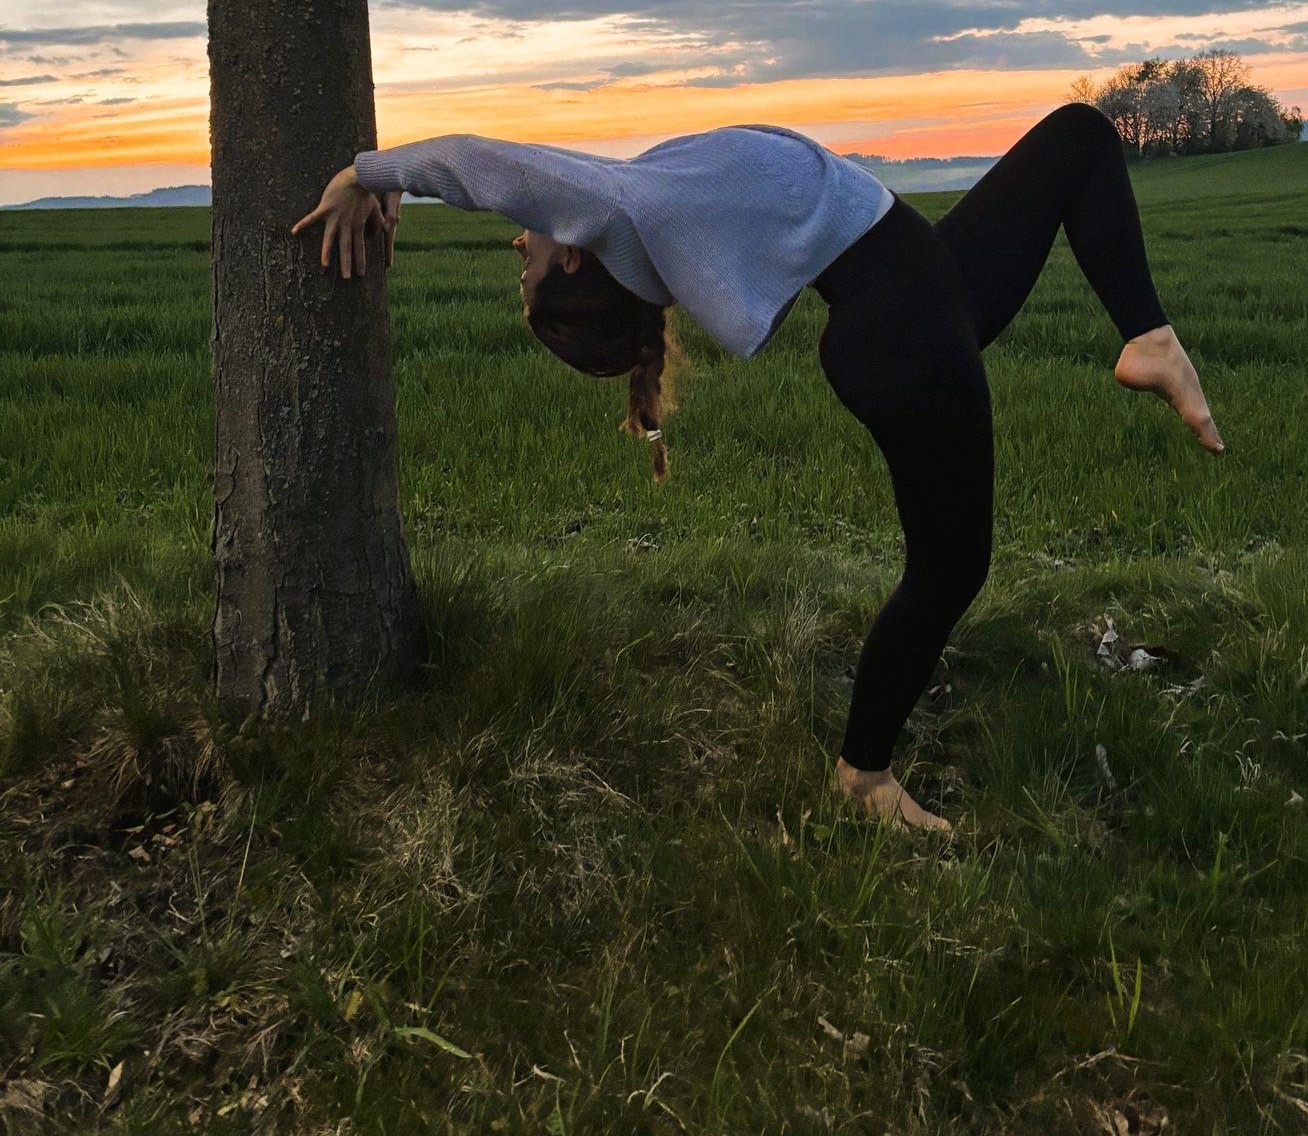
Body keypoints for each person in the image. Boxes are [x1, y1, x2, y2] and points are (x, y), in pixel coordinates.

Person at [292, 105, 1223, 833]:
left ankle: (1147, 336)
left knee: (1080, 140)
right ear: (571, 249)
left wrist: (381, 179)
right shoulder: (621, 204)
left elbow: (489, 174)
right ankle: (863, 776)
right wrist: (362, 173)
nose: (517, 247)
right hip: (898, 315)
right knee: (951, 566)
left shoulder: (624, 204)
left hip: (916, 281)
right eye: (525, 270)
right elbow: (485, 166)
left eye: (518, 263)